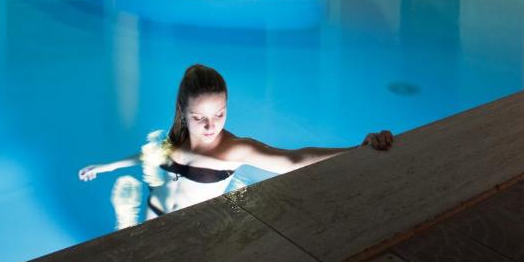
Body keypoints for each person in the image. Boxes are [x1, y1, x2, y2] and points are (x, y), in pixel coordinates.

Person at [79, 64, 393, 222]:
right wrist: (106, 166)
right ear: (182, 112)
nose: (210, 125)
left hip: (188, 228)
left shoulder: (232, 149)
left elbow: (295, 160)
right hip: (153, 211)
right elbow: (149, 156)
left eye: (219, 114)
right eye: (199, 117)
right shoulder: (177, 138)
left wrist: (356, 149)